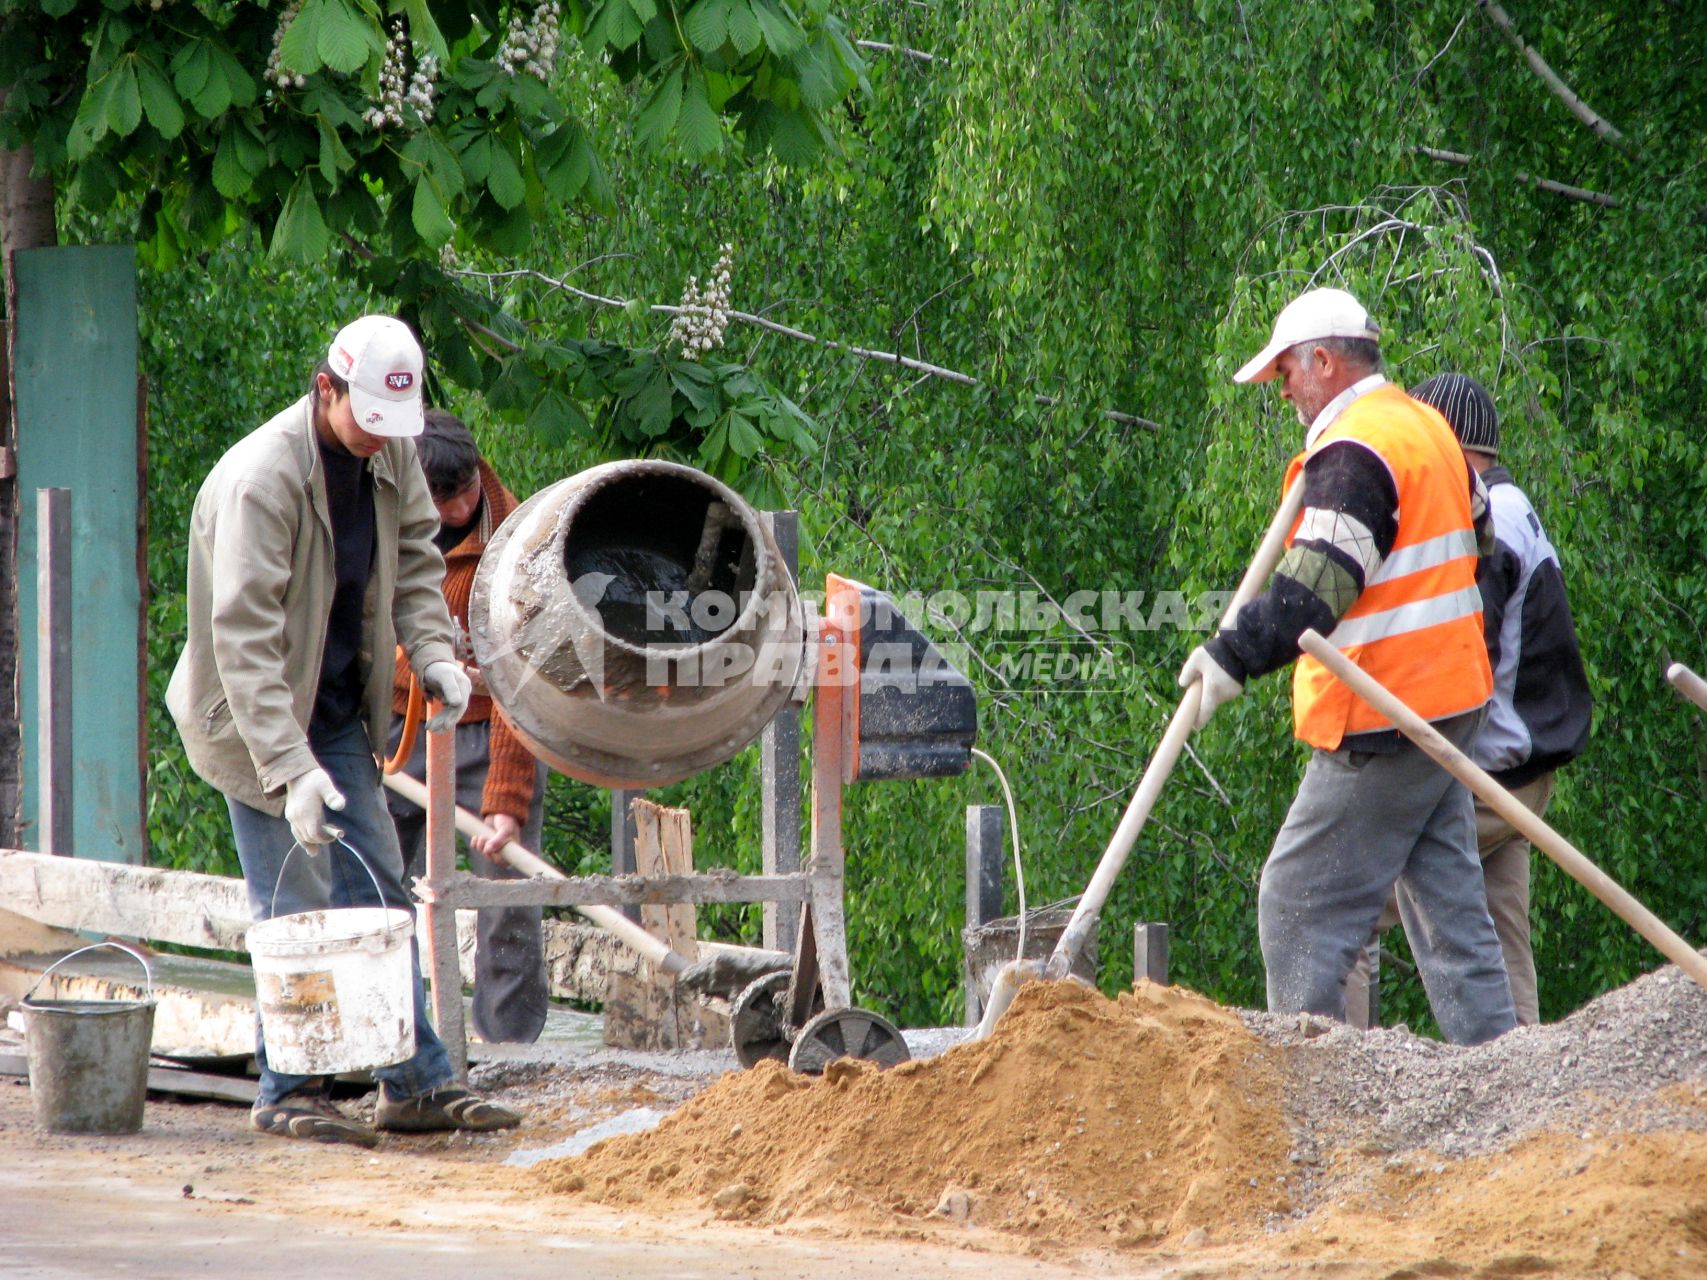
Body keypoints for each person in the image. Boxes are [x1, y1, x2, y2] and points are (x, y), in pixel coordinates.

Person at [166, 314, 521, 1145]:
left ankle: (414, 1084)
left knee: (380, 894)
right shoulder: (264, 481)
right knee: (296, 902)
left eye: (392, 426)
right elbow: (243, 641)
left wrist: (434, 656)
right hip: (252, 717)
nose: (379, 443)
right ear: (325, 389)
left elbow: (418, 569)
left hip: (329, 709)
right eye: (366, 423)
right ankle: (288, 1088)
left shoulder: (388, 447)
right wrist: (288, 773)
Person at [1177, 287, 1516, 1045]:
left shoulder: (1357, 450)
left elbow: (1313, 591)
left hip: (1385, 714)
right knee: (1447, 907)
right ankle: (1504, 1070)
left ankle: (1311, 1098)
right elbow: (1483, 542)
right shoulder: (1422, 426)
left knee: (1297, 902)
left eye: (1285, 376)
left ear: (1322, 362)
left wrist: (1228, 656)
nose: (1283, 393)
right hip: (1450, 697)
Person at [1344, 373, 1591, 1027]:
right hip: (1517, 772)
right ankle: (1522, 1099)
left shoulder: (1480, 520)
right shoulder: (1511, 508)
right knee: (1502, 943)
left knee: (1345, 896)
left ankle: (1333, 1069)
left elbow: (1454, 655)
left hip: (1480, 768)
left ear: (1443, 443)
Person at [384, 407, 549, 1044]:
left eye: (464, 494)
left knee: (509, 902)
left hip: (488, 729)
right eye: (438, 500)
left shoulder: (519, 547)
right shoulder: (380, 523)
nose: (455, 512)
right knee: (371, 883)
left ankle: (510, 1049)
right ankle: (395, 1036)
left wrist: (505, 800)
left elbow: (521, 684)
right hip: (397, 730)